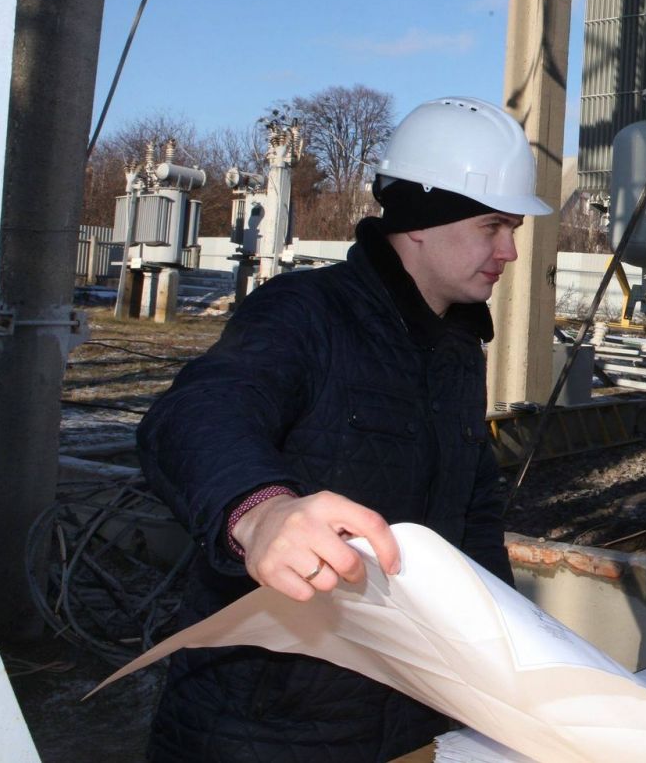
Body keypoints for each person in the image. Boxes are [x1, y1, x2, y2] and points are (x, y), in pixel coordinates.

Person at [138, 96, 552, 763]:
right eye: (492, 226)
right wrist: (261, 512)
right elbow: (194, 413)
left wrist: (511, 650)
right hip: (267, 726)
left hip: (408, 713)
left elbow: (471, 519)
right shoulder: (306, 313)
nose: (508, 250)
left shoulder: (455, 354)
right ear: (422, 222)